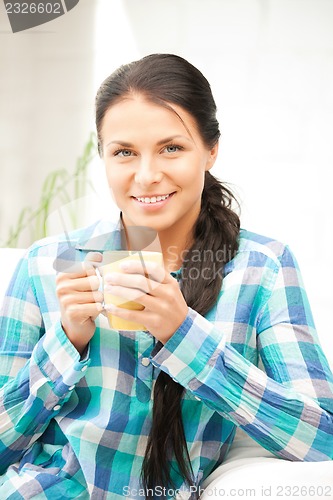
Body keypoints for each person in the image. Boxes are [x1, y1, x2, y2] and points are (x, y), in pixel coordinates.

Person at [0, 53, 332, 500]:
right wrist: (64, 342)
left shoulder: (261, 268)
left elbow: (321, 441)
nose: (147, 175)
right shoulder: (47, 263)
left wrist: (183, 335)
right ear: (103, 156)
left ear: (211, 149)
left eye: (171, 147)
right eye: (124, 152)